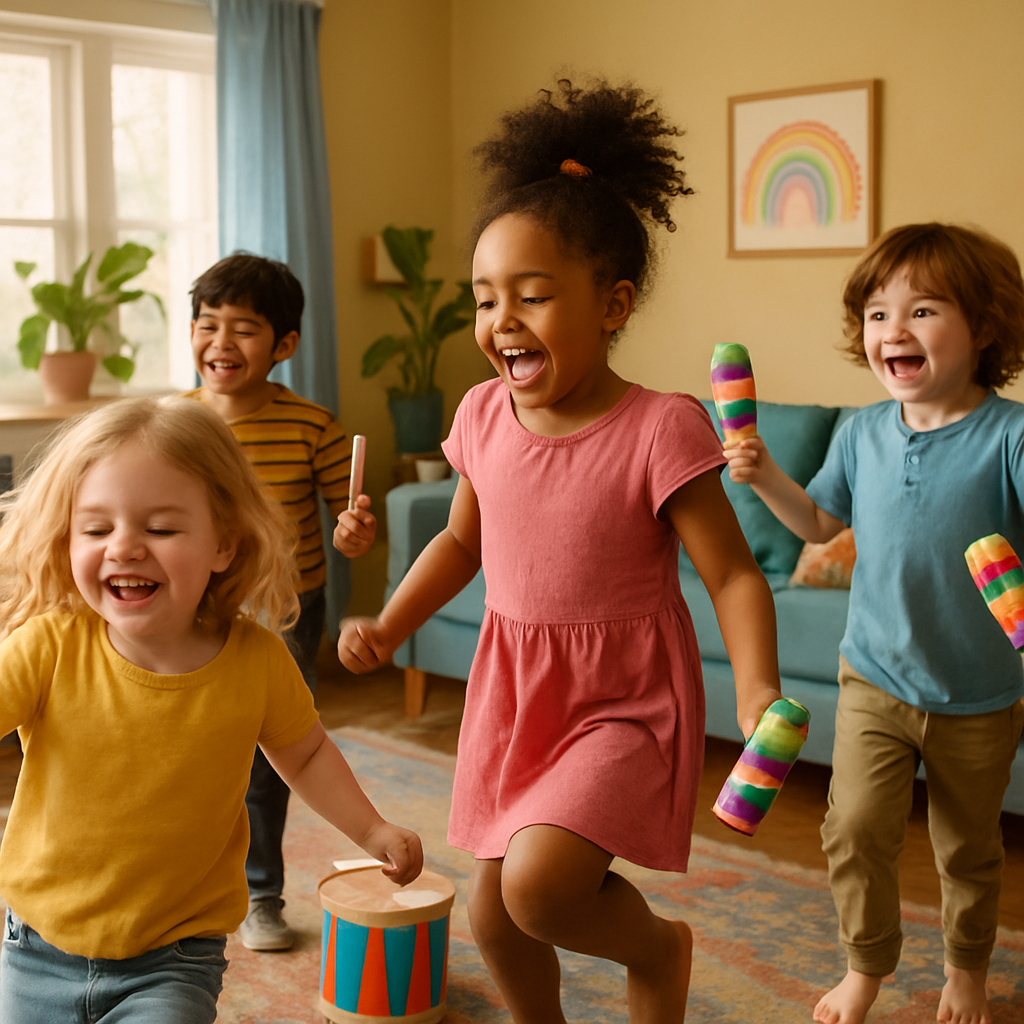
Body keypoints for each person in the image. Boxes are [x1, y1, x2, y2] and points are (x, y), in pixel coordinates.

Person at [338, 79, 782, 1024]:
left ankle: (658, 951)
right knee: (497, 920)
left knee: (541, 891)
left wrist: (755, 690)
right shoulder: (481, 413)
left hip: (624, 700)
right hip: (516, 693)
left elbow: (734, 573)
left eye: (532, 296)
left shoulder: (661, 428)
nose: (502, 321)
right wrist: (389, 623)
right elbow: (464, 539)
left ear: (613, 303)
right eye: (485, 298)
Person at [0, 397, 421, 1023]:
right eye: (95, 529)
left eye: (160, 529)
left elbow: (304, 753)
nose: (124, 548)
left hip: (174, 957)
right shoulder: (48, 645)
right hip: (37, 945)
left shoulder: (257, 661)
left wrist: (371, 829)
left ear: (223, 543)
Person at [722, 223, 1024, 1024]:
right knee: (853, 830)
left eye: (922, 311)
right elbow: (819, 525)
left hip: (981, 691)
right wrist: (763, 475)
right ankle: (866, 966)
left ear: (984, 326)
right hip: (876, 679)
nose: (894, 329)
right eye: (878, 314)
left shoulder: (1012, 437)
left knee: (967, 849)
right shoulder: (860, 433)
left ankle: (966, 970)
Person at [186, 252, 376, 951]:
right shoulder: (175, 423)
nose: (220, 343)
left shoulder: (312, 425)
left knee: (273, 753)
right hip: (191, 611)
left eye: (243, 328)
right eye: (207, 326)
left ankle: (260, 893)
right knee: (190, 748)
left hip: (286, 612)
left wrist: (355, 532)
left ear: (285, 345)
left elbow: (346, 527)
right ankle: (190, 880)